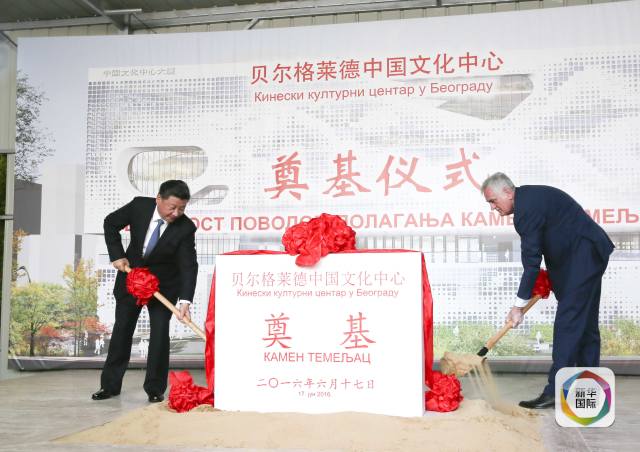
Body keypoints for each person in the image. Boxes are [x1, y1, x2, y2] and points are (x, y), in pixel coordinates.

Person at [481, 173, 614, 409]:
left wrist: (518, 307)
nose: (492, 207)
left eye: (493, 201)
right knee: (585, 326)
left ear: (508, 193)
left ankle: (555, 392)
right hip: (582, 256)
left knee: (567, 324)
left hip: (584, 256)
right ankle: (589, 389)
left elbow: (531, 262)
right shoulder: (529, 200)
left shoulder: (525, 211)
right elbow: (549, 242)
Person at [92, 180, 198, 403]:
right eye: (172, 207)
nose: (176, 213)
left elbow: (188, 265)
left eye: (182, 209)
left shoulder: (186, 227)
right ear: (158, 199)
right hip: (131, 279)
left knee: (159, 334)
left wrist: (185, 301)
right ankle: (109, 386)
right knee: (122, 331)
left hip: (163, 286)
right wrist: (117, 255)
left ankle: (155, 389)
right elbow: (110, 223)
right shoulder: (139, 206)